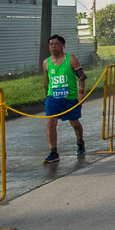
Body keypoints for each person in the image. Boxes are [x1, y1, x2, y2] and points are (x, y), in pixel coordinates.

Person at [41, 35, 86, 164]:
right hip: (53, 98)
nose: (53, 46)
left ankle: (80, 142)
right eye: (50, 44)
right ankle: (53, 152)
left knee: (75, 123)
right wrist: (47, 97)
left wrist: (81, 94)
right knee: (51, 123)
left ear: (63, 45)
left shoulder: (71, 59)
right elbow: (46, 82)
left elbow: (82, 77)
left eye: (56, 43)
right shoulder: (46, 62)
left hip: (70, 98)